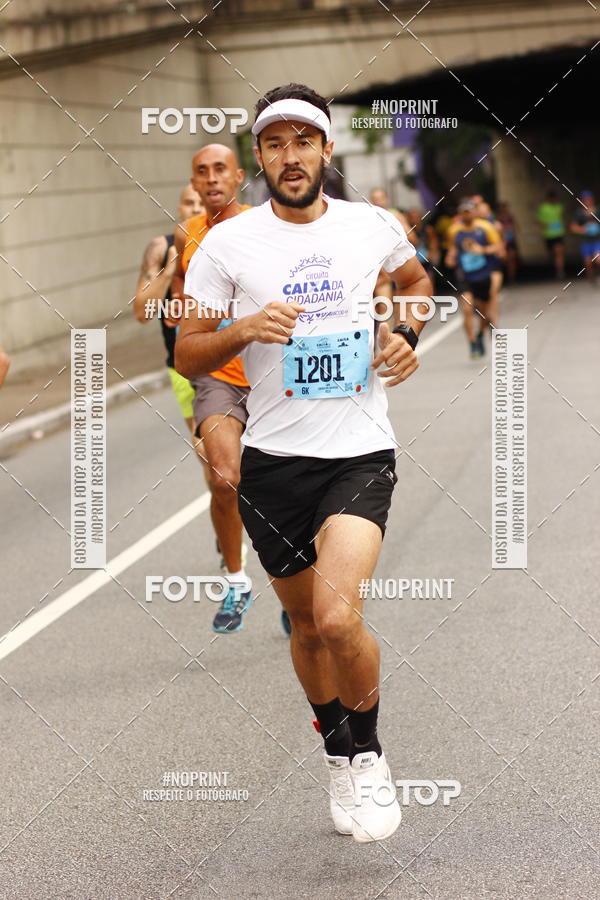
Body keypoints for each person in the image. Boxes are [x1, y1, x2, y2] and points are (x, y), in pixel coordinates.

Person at [177, 82, 432, 843]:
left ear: (326, 150)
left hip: (358, 450)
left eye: (304, 141)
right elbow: (189, 350)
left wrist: (405, 333)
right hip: (274, 461)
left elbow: (417, 284)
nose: (290, 157)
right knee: (302, 626)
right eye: (275, 144)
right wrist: (244, 328)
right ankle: (337, 752)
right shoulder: (228, 244)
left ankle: (373, 757)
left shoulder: (370, 226)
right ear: (261, 156)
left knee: (335, 613)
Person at [170, 144, 258, 635]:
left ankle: (294, 580)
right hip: (219, 375)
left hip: (270, 372)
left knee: (279, 484)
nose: (211, 178)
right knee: (225, 477)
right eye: (201, 172)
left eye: (220, 169)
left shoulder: (261, 226)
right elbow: (188, 303)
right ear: (195, 182)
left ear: (238, 176)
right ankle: (237, 580)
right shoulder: (188, 236)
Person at [133, 185, 203, 435]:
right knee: (210, 461)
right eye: (188, 202)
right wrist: (171, 267)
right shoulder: (161, 248)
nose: (195, 208)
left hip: (227, 362)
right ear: (178, 207)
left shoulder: (225, 242)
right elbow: (142, 312)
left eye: (200, 202)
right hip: (182, 366)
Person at [446, 199, 504, 359]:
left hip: (483, 274)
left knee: (484, 313)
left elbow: (498, 247)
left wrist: (483, 249)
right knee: (467, 308)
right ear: (460, 214)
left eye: (469, 211)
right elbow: (453, 247)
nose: (467, 214)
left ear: (474, 212)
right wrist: (450, 257)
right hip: (465, 276)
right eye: (463, 212)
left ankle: (480, 334)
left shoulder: (485, 227)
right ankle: (472, 344)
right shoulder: (454, 230)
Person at [570, 190, 600, 282]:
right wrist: (584, 229)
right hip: (585, 241)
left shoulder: (598, 210)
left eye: (589, 199)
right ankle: (591, 277)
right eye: (586, 199)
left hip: (597, 240)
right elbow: (573, 227)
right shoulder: (579, 213)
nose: (588, 201)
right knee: (588, 263)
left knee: (598, 260)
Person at [537, 190, 566, 279]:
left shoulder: (560, 207)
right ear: (548, 199)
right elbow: (539, 221)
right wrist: (547, 225)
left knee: (559, 252)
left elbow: (562, 218)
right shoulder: (543, 208)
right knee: (552, 254)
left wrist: (562, 224)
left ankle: (560, 271)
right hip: (548, 235)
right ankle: (554, 267)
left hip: (559, 233)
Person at [497, 201, 519, 282]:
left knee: (512, 258)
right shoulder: (498, 217)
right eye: (503, 207)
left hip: (511, 239)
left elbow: (515, 226)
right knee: (505, 259)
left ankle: (512, 277)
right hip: (503, 240)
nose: (504, 209)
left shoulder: (510, 216)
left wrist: (515, 234)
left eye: (505, 207)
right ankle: (506, 276)